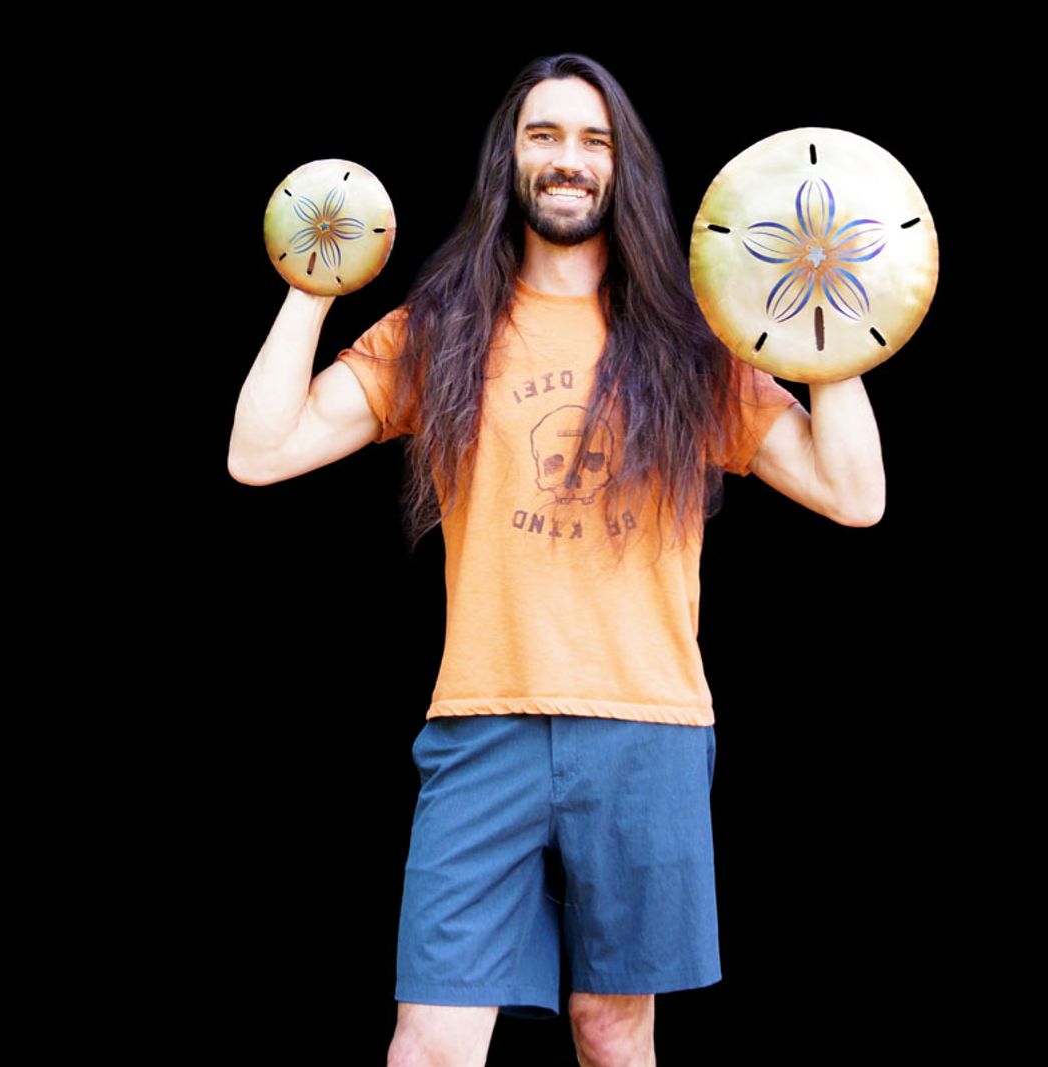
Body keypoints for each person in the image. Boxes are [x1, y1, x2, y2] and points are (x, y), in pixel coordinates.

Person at [228, 54, 885, 1067]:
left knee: (612, 1030)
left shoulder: (687, 345)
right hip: (481, 724)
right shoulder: (441, 329)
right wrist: (308, 289)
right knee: (432, 1042)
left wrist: (828, 322)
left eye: (594, 140)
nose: (567, 160)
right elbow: (259, 452)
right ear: (511, 161)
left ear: (623, 169)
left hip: (647, 727)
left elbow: (854, 494)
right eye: (543, 136)